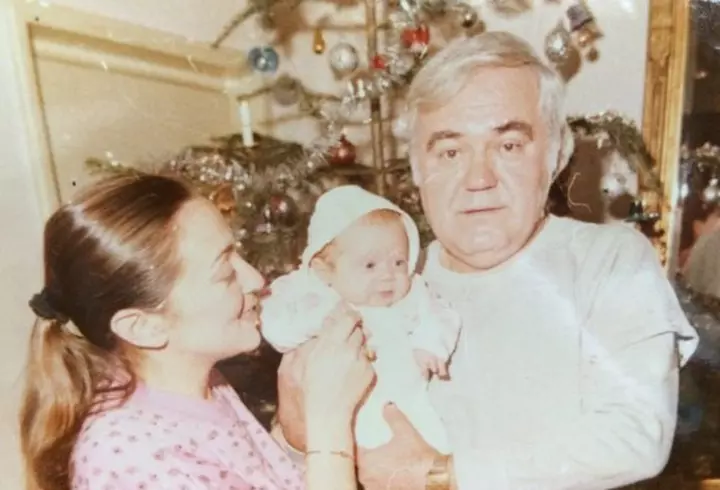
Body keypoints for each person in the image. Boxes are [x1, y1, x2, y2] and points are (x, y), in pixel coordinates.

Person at [274, 32, 700, 489]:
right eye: (450, 152)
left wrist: (443, 474)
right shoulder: (389, 281)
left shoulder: (609, 262)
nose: (479, 178)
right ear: (417, 167)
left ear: (556, 155)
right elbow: (303, 451)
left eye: (509, 146)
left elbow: (635, 434)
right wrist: (300, 437)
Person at [19, 174, 374, 490]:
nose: (256, 279)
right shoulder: (130, 457)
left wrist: (294, 436)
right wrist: (329, 425)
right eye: (226, 274)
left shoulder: (200, 385)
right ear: (144, 327)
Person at [261, 185, 460, 453]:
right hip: (342, 415)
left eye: (399, 262)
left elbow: (442, 314)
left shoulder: (413, 294)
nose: (388, 275)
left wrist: (431, 344)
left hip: (409, 404)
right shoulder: (314, 297)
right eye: (370, 265)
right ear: (324, 270)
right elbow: (275, 327)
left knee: (436, 442)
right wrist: (313, 322)